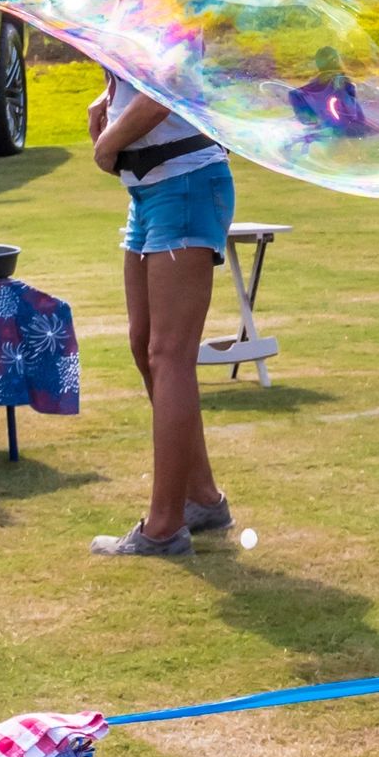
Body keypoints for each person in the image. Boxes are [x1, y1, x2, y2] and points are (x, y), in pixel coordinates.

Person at [86, 70, 235, 557]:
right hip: (149, 188)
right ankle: (202, 497)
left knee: (169, 354)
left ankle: (165, 526)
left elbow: (164, 92)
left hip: (185, 182)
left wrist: (109, 140)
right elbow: (138, 82)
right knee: (144, 342)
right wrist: (105, 102)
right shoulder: (137, 1)